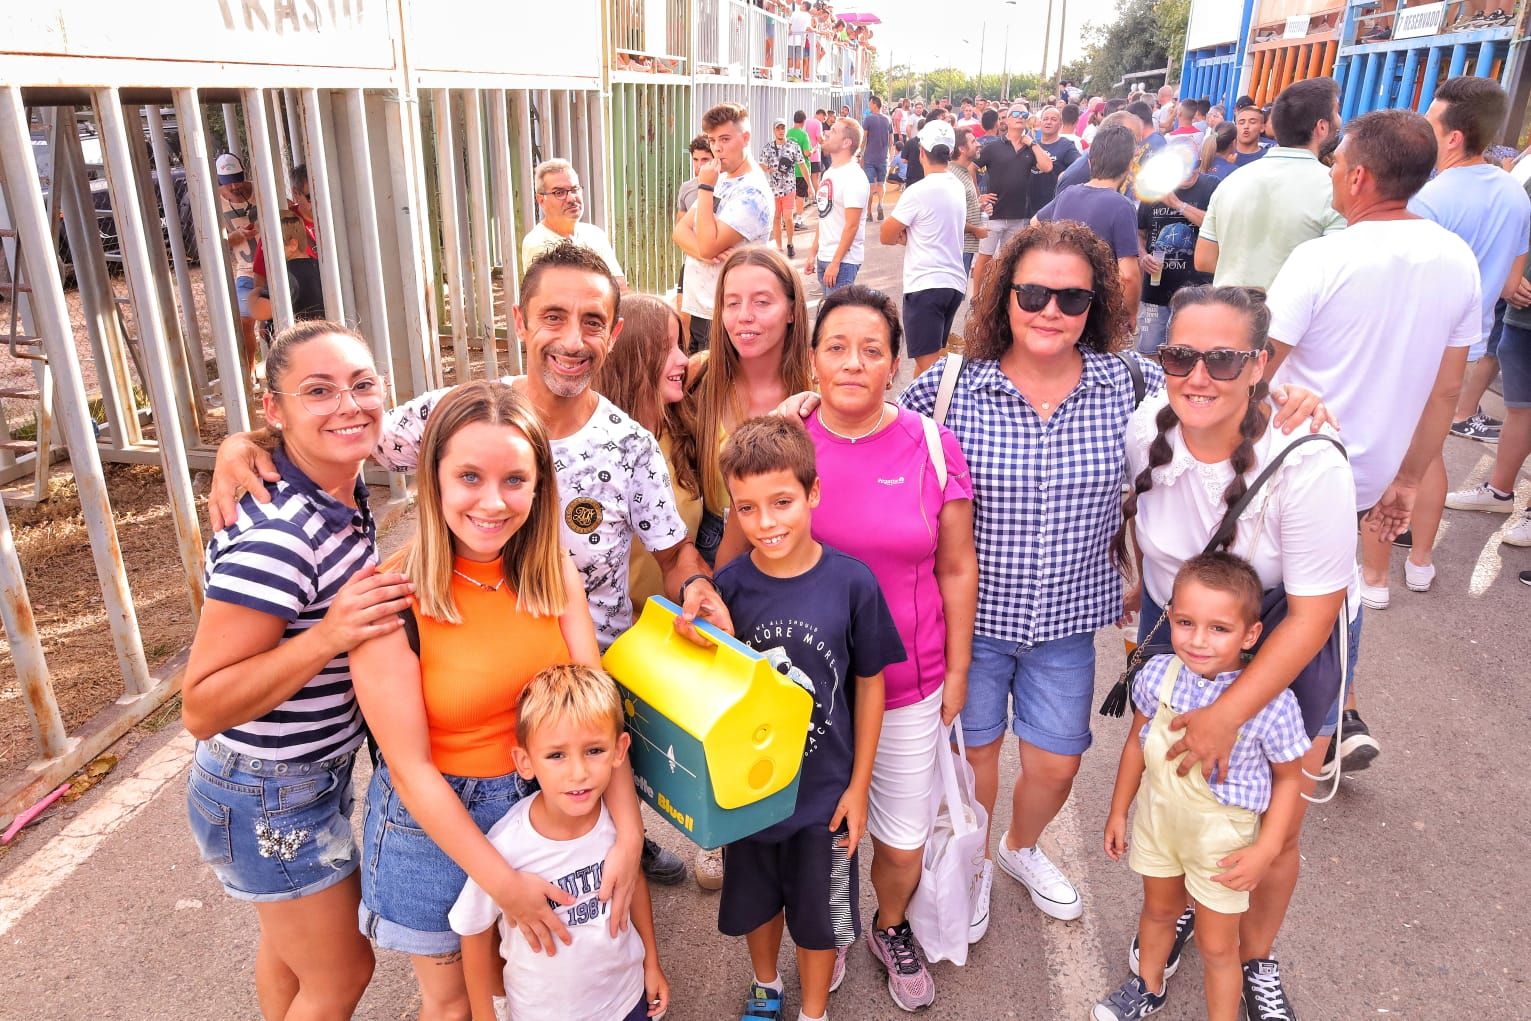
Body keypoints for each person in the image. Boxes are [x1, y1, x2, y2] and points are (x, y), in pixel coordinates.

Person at [1244, 110, 1479, 1015]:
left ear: (1354, 178)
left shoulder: (1325, 255)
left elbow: (1259, 369)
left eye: (1339, 163)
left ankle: (1267, 739)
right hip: (1368, 474)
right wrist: (1410, 478)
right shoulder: (1454, 260)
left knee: (1266, 610)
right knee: (1330, 607)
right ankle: (1324, 717)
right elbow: (1447, 386)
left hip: (1290, 469)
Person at [348, 380, 645, 1016]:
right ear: (434, 481)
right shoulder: (390, 602)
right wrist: (503, 885)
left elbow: (599, 710)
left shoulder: (550, 571)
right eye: (470, 477)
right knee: (460, 1003)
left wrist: (627, 834)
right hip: (436, 830)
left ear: (540, 487)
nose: (493, 501)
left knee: (540, 987)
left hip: (546, 802)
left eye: (515, 479)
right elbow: (410, 768)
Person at [898, 220, 1153, 930]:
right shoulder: (947, 388)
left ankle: (1018, 846)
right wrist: (806, 412)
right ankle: (973, 866)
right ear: (1002, 297)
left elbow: (1212, 404)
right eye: (1032, 292)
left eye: (1070, 299)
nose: (1049, 310)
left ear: (1094, 306)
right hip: (967, 629)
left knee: (1056, 764)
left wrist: (1290, 405)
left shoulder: (1130, 383)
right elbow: (871, 442)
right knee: (973, 761)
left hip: (1068, 625)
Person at [1116, 285, 1357, 1021]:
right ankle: (1193, 892)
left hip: (1280, 632)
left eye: (1222, 358)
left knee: (1271, 826)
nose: (1198, 375)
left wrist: (1227, 714)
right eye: (1180, 354)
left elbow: (1314, 614)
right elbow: (1145, 537)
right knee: (1180, 785)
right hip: (1181, 618)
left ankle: (1255, 957)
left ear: (1259, 363)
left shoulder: (1307, 464)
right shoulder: (1144, 426)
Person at [746, 286, 977, 1009]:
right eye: (836, 347)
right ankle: (830, 929)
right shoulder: (784, 440)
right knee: (819, 833)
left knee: (901, 839)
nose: (853, 363)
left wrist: (960, 671)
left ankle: (888, 923)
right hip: (801, 691)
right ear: (810, 359)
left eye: (871, 350)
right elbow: (738, 552)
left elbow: (956, 565)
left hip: (910, 680)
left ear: (894, 363)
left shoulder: (932, 448)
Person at [182, 321, 407, 1019]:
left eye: (362, 384)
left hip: (300, 776)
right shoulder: (281, 534)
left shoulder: (333, 486)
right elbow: (202, 704)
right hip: (266, 792)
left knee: (290, 952)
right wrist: (330, 635)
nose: (349, 404)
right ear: (274, 409)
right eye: (319, 390)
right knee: (340, 973)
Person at [712, 415, 902, 1021]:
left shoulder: (852, 583)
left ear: (813, 493)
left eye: (782, 502)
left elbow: (870, 683)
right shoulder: (731, 589)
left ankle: (814, 1011)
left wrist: (858, 786)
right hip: (748, 794)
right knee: (756, 902)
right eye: (747, 509)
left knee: (820, 920)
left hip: (823, 797)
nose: (766, 523)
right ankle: (766, 986)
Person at [1096, 553, 1311, 1021]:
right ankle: (1147, 986)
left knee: (1219, 945)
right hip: (1160, 821)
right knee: (1157, 913)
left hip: (1223, 841)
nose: (1197, 640)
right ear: (1169, 616)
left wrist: (1267, 848)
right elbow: (1137, 744)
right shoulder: (1156, 674)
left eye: (1219, 628)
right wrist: (1118, 811)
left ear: (1250, 634)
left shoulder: (1272, 704)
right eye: (1187, 622)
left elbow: (1291, 779)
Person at [449, 664, 669, 1021]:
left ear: (619, 748)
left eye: (594, 750)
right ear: (525, 761)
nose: (578, 772)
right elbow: (473, 931)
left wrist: (652, 964)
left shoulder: (616, 822)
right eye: (556, 755)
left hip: (626, 1000)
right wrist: (483, 1014)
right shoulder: (507, 844)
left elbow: (634, 883)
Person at [1408, 78, 1530, 586]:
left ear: (1453, 136)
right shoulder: (1512, 190)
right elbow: (1512, 277)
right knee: (1430, 445)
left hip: (1422, 339)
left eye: (1431, 125)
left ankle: (1411, 550)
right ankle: (1418, 550)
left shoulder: (1430, 197)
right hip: (1472, 339)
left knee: (1411, 448)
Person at [595, 294, 705, 614]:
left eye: (681, 346)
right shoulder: (596, 446)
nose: (683, 360)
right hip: (613, 634)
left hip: (677, 622)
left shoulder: (686, 429)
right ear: (631, 356)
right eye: (667, 348)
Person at [1195, 78, 1345, 288]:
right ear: (1321, 126)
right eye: (1337, 112)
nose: (1340, 120)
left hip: (1230, 311)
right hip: (1292, 318)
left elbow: (1204, 260)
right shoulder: (1335, 190)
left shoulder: (1232, 182)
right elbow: (1334, 275)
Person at [1453, 167, 1531, 549]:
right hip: (1522, 317)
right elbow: (1518, 234)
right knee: (1520, 408)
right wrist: (1512, 279)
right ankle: (1500, 492)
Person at [674, 103, 773, 354]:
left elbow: (707, 245)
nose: (717, 148)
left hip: (727, 313)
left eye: (725, 139)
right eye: (712, 140)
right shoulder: (723, 178)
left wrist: (706, 188)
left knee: (717, 390)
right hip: (699, 306)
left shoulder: (752, 192)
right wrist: (704, 251)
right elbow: (679, 231)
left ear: (745, 138)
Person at [881, 119, 968, 375]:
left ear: (921, 152)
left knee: (930, 369)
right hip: (953, 283)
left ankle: (942, 415)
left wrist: (905, 233)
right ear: (950, 153)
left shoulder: (918, 192)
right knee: (928, 364)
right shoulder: (957, 185)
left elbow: (886, 234)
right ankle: (925, 413)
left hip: (925, 285)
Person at [1034, 123, 1144, 320]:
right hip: (1095, 304)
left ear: (1091, 162)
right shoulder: (1122, 206)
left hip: (1059, 294)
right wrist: (1130, 314)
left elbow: (1035, 223)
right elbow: (1128, 275)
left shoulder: (1068, 193)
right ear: (1129, 164)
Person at [1135, 140, 1219, 354]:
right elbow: (1139, 232)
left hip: (1198, 292)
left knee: (1188, 353)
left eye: (1193, 165)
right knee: (1147, 351)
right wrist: (1143, 255)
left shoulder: (1212, 187)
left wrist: (1179, 205)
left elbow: (1216, 224)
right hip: (1155, 290)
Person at [970, 102, 1054, 299]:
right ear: (1006, 120)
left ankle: (1001, 299)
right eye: (1014, 113)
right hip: (993, 215)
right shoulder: (993, 147)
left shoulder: (1030, 148)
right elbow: (971, 167)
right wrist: (977, 196)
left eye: (1024, 114)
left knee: (1010, 260)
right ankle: (977, 299)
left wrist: (1032, 143)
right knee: (985, 257)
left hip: (1018, 216)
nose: (1019, 116)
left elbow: (1047, 166)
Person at [523, 159, 627, 289]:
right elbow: (562, 296)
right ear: (541, 199)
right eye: (559, 193)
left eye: (574, 189)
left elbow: (620, 287)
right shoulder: (537, 243)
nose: (572, 198)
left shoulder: (595, 234)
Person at [807, 116, 869, 292]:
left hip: (843, 262)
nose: (827, 134)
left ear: (846, 142)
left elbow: (852, 225)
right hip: (825, 258)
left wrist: (835, 263)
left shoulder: (854, 177)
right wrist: (813, 252)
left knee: (838, 317)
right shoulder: (829, 173)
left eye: (833, 131)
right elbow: (824, 215)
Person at [216, 153, 262, 381]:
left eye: (238, 179)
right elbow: (205, 245)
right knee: (245, 321)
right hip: (246, 269)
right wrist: (232, 237)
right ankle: (249, 371)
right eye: (228, 182)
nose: (234, 186)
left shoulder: (259, 189)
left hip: (274, 266)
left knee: (272, 323)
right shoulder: (215, 202)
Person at [249, 211, 325, 323]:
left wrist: (255, 293)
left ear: (292, 244)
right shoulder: (319, 266)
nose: (262, 249)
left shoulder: (286, 275)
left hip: (297, 337)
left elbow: (260, 311)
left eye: (268, 244)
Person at [674, 135, 715, 331]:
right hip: (692, 262)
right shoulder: (686, 188)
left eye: (705, 160)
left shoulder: (723, 188)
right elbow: (679, 228)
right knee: (683, 316)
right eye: (696, 160)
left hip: (716, 266)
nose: (699, 165)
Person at [763, 118, 811, 259]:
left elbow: (802, 165)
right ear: (774, 130)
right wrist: (768, 169)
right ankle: (779, 247)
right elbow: (761, 164)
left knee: (788, 218)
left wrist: (810, 186)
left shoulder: (793, 146)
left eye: (783, 128)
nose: (781, 131)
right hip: (773, 189)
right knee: (776, 218)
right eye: (778, 128)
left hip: (789, 187)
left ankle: (790, 243)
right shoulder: (768, 148)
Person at [1029, 106, 1083, 216]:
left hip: (1053, 207)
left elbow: (1080, 166)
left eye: (1053, 119)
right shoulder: (1032, 144)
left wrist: (1065, 175)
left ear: (1060, 124)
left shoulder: (1066, 146)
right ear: (1040, 122)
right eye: (1045, 119)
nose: (1048, 122)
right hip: (1029, 208)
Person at [950, 126, 989, 278]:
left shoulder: (963, 172)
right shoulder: (954, 176)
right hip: (958, 248)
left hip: (965, 247)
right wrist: (975, 230)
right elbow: (950, 217)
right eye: (973, 141)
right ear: (961, 149)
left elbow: (961, 208)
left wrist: (979, 207)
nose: (978, 144)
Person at [860, 95, 895, 221]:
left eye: (870, 103)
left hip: (870, 157)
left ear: (875, 104)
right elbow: (891, 140)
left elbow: (864, 139)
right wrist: (889, 155)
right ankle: (880, 204)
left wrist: (860, 153)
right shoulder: (888, 119)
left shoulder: (868, 119)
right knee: (881, 184)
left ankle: (869, 213)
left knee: (870, 185)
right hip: (883, 158)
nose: (869, 105)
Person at [790, 111, 817, 225]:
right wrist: (813, 150)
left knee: (791, 195)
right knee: (800, 195)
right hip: (801, 171)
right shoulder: (803, 134)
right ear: (803, 121)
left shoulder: (788, 133)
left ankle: (788, 219)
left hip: (789, 170)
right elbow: (806, 153)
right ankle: (799, 219)